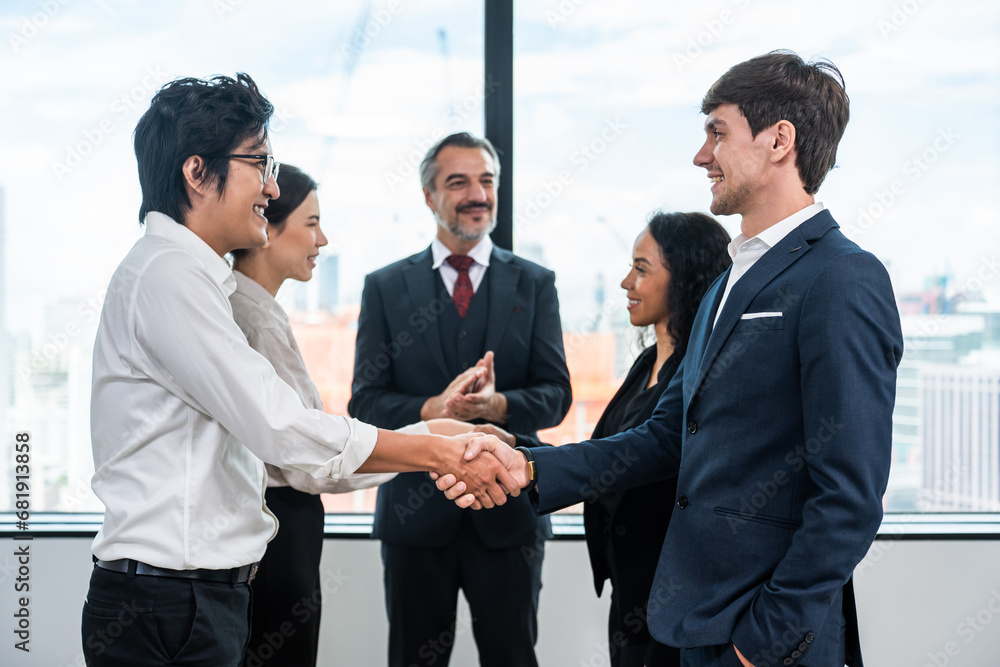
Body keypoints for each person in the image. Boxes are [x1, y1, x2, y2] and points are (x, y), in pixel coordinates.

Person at [440, 51, 904, 667]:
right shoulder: (726, 285)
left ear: (778, 141)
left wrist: (760, 643)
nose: (700, 155)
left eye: (717, 131)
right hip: (694, 623)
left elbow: (849, 496)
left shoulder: (843, 278)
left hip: (764, 642)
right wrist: (528, 468)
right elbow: (664, 437)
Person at [82, 74, 514, 667]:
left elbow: (284, 434)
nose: (272, 185)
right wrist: (437, 450)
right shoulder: (170, 278)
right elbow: (282, 427)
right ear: (196, 172)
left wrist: (441, 436)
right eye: (259, 162)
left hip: (190, 597)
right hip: (169, 601)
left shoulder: (193, 279)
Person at [229, 164, 471, 666]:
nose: (323, 238)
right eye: (311, 222)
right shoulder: (250, 317)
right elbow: (308, 460)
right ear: (268, 228)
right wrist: (430, 441)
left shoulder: (258, 311)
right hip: (277, 531)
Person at [348, 132, 572, 667]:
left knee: (512, 657)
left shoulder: (536, 284)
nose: (478, 194)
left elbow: (557, 397)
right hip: (414, 518)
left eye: (487, 180)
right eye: (459, 182)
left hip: (509, 515)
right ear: (429, 196)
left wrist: (494, 409)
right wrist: (432, 412)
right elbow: (365, 403)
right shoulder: (384, 287)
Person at [475, 212, 731, 667]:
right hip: (630, 591)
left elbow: (650, 448)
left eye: (642, 268)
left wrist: (528, 464)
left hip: (670, 594)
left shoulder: (700, 370)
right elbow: (613, 457)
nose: (625, 282)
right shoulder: (647, 363)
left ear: (686, 275)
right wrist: (517, 444)